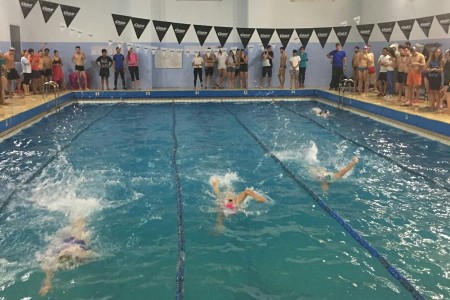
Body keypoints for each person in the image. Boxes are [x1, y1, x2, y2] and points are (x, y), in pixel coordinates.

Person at [38, 218, 94, 296]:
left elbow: (48, 269)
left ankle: (79, 217)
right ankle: (79, 218)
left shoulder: (75, 253)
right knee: (79, 230)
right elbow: (48, 270)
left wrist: (48, 283)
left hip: (72, 245)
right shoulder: (59, 258)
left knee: (79, 229)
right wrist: (47, 284)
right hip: (71, 246)